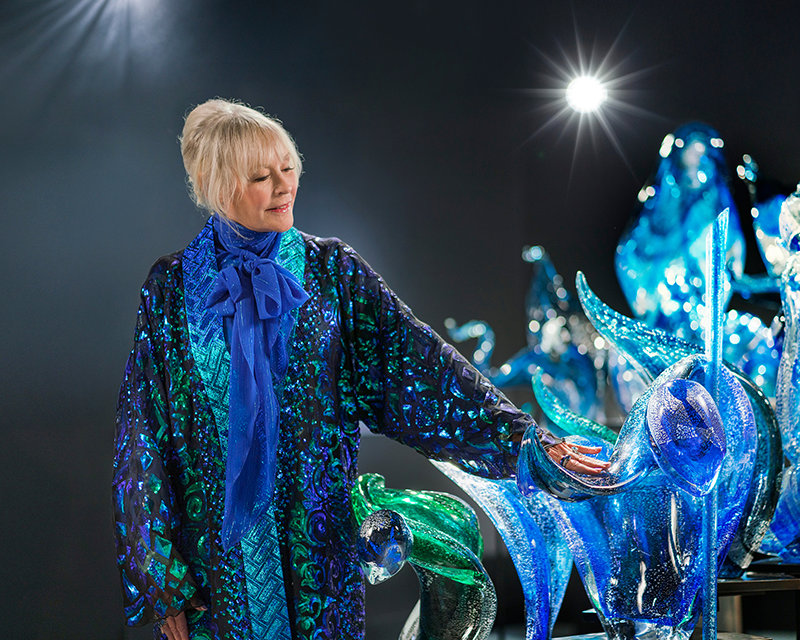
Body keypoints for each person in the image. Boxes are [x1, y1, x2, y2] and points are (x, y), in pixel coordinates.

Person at [112, 98, 608, 640]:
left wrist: (527, 443)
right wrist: (161, 579)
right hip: (213, 583)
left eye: (288, 168)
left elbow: (427, 370)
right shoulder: (170, 289)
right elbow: (141, 438)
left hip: (319, 569)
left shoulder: (333, 275)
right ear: (219, 186)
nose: (283, 186)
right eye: (261, 177)